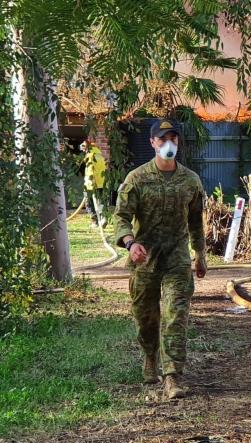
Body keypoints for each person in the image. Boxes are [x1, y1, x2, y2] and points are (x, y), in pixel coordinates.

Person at [113, 119, 207, 400]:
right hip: (145, 258)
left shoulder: (190, 180)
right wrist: (130, 243)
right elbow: (121, 216)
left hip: (176, 257)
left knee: (176, 314)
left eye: (174, 139)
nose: (169, 144)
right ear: (153, 142)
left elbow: (196, 222)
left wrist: (200, 254)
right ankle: (150, 357)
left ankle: (173, 375)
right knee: (146, 318)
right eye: (163, 139)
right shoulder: (137, 178)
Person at [81, 140, 107, 228]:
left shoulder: (90, 156)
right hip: (101, 183)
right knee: (100, 201)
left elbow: (90, 170)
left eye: (84, 148)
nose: (83, 150)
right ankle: (102, 217)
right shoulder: (100, 156)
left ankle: (95, 221)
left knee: (89, 203)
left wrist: (89, 181)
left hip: (90, 184)